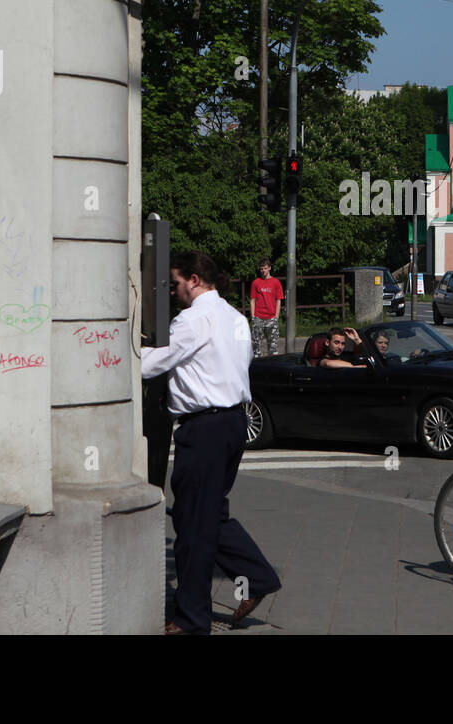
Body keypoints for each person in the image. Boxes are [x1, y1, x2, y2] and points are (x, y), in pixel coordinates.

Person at [140, 251, 282, 634]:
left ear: (195, 280)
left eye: (177, 282)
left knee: (195, 529)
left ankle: (191, 618)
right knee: (203, 514)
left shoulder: (192, 320)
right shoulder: (236, 318)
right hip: (235, 422)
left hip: (203, 428)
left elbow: (151, 363)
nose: (174, 290)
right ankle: (256, 576)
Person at [249, 258, 284, 357]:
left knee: (273, 347)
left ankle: (273, 368)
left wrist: (276, 317)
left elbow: (278, 300)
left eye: (265, 268)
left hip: (272, 318)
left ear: (269, 268)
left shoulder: (276, 282)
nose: (263, 271)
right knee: (256, 346)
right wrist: (253, 317)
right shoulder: (256, 282)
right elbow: (252, 300)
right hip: (258, 317)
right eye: (261, 269)